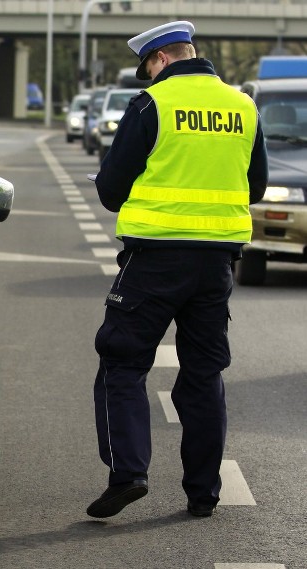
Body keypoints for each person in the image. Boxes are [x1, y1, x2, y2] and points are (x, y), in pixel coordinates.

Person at [86, 21, 268, 519]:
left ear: (161, 59)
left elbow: (110, 190)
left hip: (154, 262)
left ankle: (129, 473)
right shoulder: (243, 106)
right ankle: (203, 493)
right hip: (216, 265)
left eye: (148, 68)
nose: (147, 78)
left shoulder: (153, 104)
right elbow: (256, 187)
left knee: (121, 363)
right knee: (204, 374)